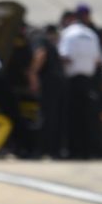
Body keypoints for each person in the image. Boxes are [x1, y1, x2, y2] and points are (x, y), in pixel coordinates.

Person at [58, 10, 102, 159]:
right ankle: (88, 150)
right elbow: (97, 60)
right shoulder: (91, 34)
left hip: (72, 80)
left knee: (72, 118)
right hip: (88, 81)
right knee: (88, 117)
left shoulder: (68, 33)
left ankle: (73, 150)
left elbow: (64, 56)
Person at [26, 25, 66, 159]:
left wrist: (32, 73)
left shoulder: (36, 38)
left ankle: (42, 150)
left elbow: (40, 54)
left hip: (49, 81)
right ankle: (55, 150)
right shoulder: (48, 40)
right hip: (59, 80)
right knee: (56, 117)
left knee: (46, 116)